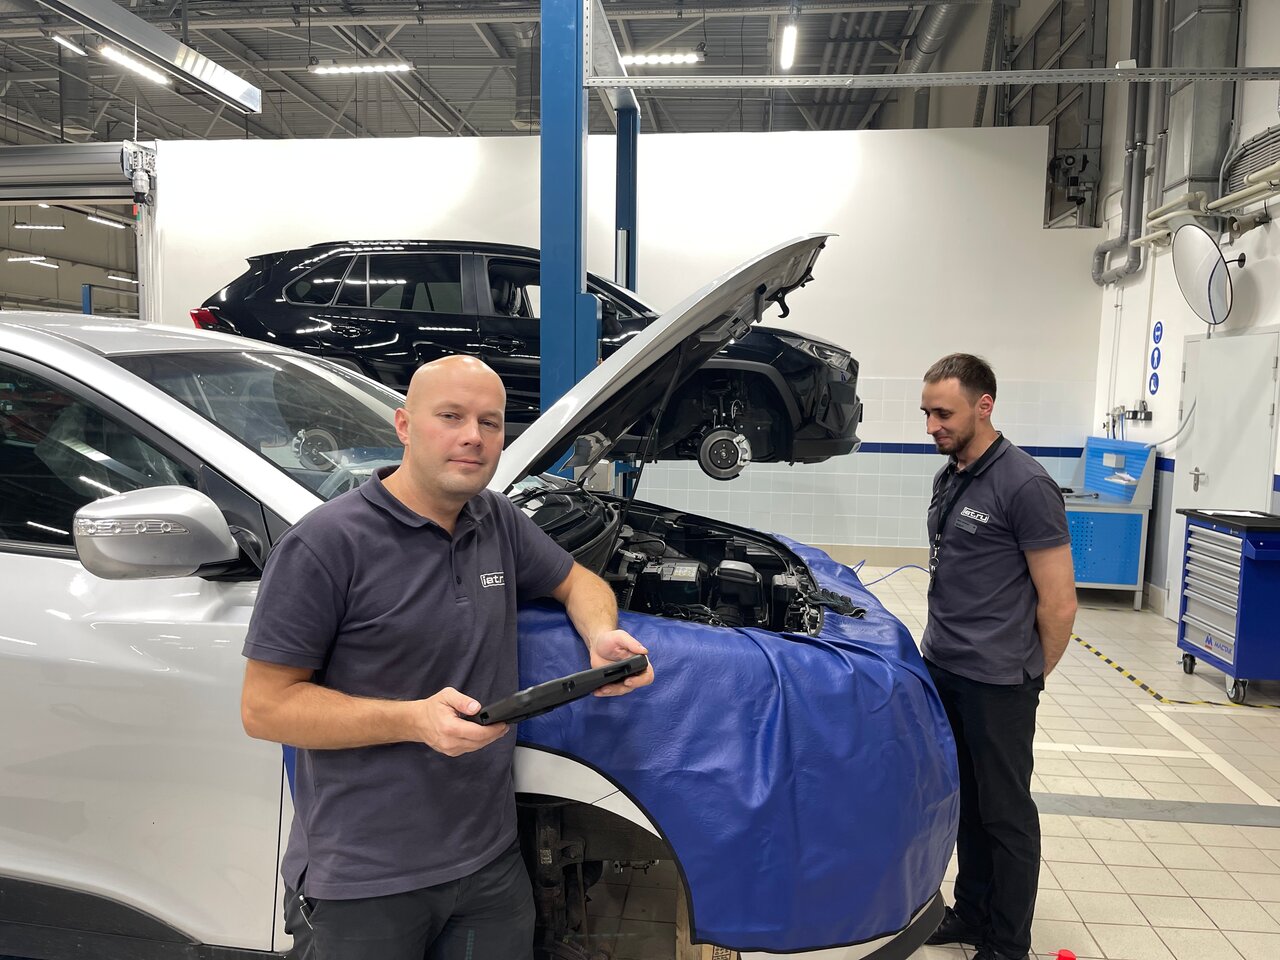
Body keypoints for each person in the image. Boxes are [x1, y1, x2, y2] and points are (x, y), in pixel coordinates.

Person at [240, 355, 654, 960]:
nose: (473, 437)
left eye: (490, 422)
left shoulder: (496, 520)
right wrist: (413, 720)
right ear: (405, 426)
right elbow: (264, 708)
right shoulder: (325, 545)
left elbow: (577, 582)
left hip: (489, 866)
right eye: (451, 417)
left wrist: (601, 636)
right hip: (364, 879)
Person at [918, 354, 1077, 960]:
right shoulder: (953, 473)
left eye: (943, 413)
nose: (932, 425)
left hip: (998, 682)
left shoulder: (1025, 484)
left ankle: (1008, 943)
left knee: (1006, 814)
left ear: (984, 406)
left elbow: (1059, 602)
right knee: (967, 804)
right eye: (927, 413)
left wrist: (1028, 674)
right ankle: (972, 912)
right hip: (945, 667)